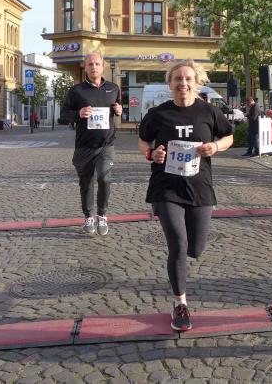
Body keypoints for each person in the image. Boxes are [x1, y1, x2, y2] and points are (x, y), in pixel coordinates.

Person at [138, 59, 234, 331]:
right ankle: (180, 303)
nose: (183, 83)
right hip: (166, 187)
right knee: (178, 245)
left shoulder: (209, 111)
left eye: (188, 78)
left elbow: (228, 137)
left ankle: (185, 264)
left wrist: (215, 146)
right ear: (170, 83)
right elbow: (143, 140)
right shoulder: (158, 114)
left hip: (200, 187)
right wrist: (151, 153)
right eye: (178, 79)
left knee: (195, 248)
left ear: (197, 82)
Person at [60, 52, 123, 236]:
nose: (94, 67)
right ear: (85, 67)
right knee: (86, 183)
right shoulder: (76, 91)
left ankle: (102, 215)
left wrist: (120, 110)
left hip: (106, 144)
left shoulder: (113, 88)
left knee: (104, 178)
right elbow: (63, 115)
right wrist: (78, 114)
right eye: (90, 64)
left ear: (102, 66)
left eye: (97, 64)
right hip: (84, 146)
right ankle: (88, 217)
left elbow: (118, 107)